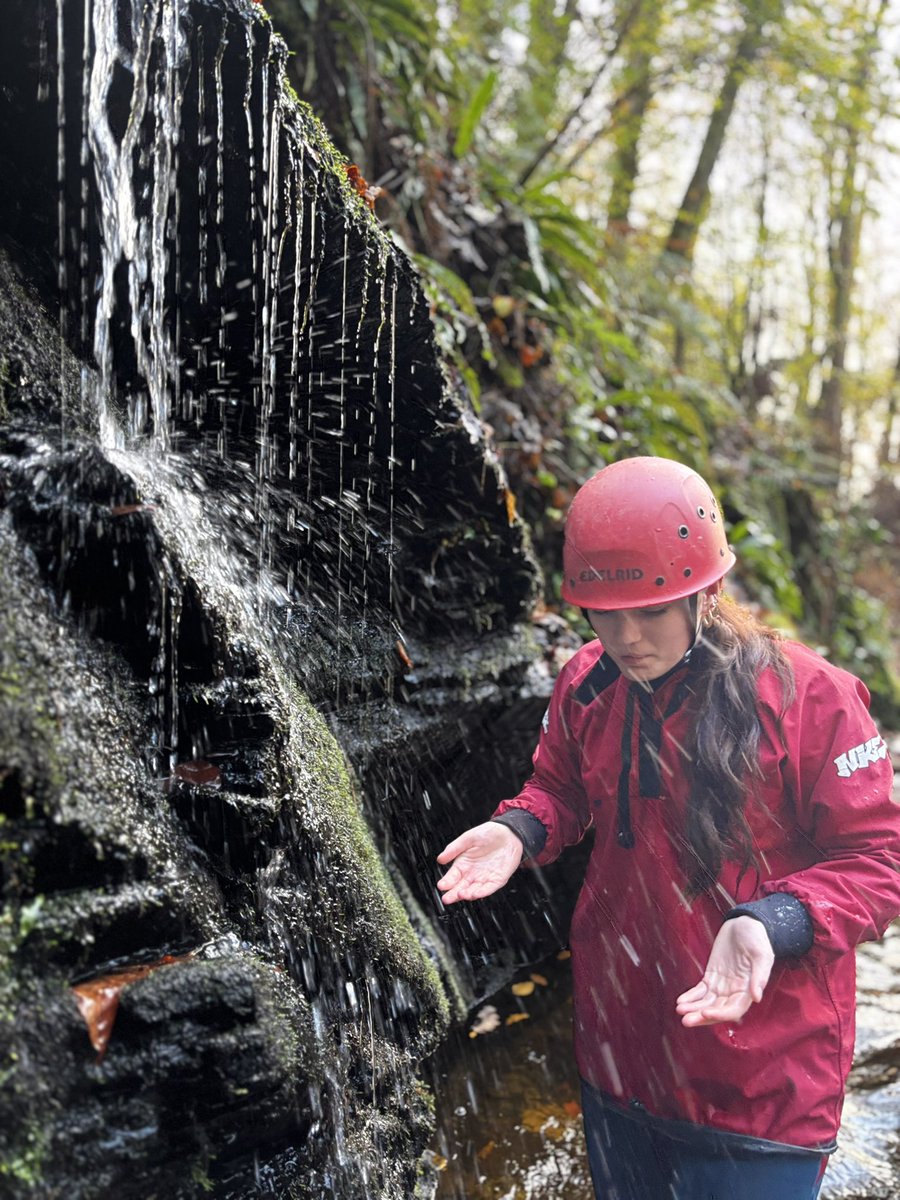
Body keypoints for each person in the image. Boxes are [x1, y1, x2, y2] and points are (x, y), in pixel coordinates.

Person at [436, 456, 900, 1200]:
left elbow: (880, 860)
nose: (625, 637)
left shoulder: (814, 699)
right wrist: (520, 829)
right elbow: (559, 787)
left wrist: (771, 923)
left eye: (650, 610)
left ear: (706, 591)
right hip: (621, 1064)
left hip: (764, 1086)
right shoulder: (588, 681)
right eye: (602, 611)